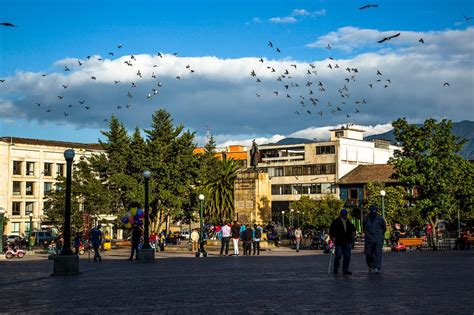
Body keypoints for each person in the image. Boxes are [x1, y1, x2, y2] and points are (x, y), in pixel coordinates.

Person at [329, 209, 356, 275]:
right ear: (341, 215)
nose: (345, 216)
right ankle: (336, 268)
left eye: (346, 214)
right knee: (338, 256)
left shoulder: (348, 222)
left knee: (347, 257)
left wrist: (353, 232)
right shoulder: (336, 221)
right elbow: (332, 230)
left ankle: (345, 270)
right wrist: (332, 237)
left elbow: (353, 228)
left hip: (347, 242)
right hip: (339, 242)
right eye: (344, 215)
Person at [364, 205, 387, 274]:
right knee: (368, 254)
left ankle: (377, 267)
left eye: (374, 211)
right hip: (369, 240)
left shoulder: (380, 219)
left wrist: (380, 236)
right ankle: (370, 265)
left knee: (378, 253)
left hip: (378, 239)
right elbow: (364, 227)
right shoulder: (366, 218)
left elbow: (384, 228)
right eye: (372, 210)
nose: (373, 212)